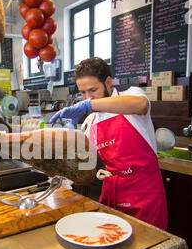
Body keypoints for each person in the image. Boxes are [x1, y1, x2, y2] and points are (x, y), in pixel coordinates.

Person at [49, 57, 167, 230]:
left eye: (93, 90)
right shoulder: (91, 121)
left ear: (108, 82)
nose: (87, 98)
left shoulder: (132, 95)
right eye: (82, 93)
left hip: (144, 194)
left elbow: (141, 105)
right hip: (113, 194)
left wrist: (88, 104)